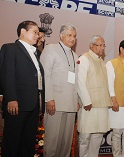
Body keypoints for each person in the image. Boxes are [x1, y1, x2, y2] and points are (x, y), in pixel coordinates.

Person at [0, 20, 45, 157]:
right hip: (17, 104)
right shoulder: (10, 48)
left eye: (38, 33)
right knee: (12, 142)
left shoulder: (36, 52)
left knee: (28, 142)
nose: (38, 36)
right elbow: (7, 75)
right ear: (23, 32)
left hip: (33, 105)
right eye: (35, 32)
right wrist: (11, 99)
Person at [40, 23, 78, 157]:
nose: (72, 38)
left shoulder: (75, 55)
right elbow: (45, 75)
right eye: (69, 35)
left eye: (74, 36)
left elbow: (76, 81)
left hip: (71, 105)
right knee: (53, 141)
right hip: (55, 103)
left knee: (66, 143)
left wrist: (77, 100)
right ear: (61, 35)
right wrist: (49, 98)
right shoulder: (51, 49)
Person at [77, 35, 112, 157]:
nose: (102, 48)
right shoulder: (84, 58)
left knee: (98, 136)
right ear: (91, 46)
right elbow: (80, 82)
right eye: (99, 45)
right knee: (85, 137)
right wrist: (86, 101)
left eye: (103, 45)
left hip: (102, 105)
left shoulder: (101, 61)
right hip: (89, 105)